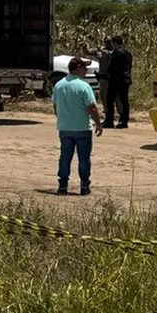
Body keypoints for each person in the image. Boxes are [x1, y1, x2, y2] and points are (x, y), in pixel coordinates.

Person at [52, 57, 104, 195]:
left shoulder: (59, 85)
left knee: (65, 157)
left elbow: (55, 106)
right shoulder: (84, 86)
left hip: (65, 127)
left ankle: (63, 186)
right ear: (78, 69)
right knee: (84, 159)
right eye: (84, 68)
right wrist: (98, 124)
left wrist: (62, 119)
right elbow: (91, 107)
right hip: (82, 128)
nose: (86, 71)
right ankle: (84, 186)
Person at [105, 35, 132, 128]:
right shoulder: (127, 53)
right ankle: (124, 121)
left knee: (110, 100)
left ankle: (109, 121)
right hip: (126, 79)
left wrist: (108, 74)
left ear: (114, 43)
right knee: (124, 101)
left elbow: (113, 67)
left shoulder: (116, 53)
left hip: (116, 80)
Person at [95, 39, 112, 112]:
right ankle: (106, 109)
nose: (107, 44)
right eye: (106, 43)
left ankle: (110, 110)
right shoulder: (102, 51)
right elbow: (90, 52)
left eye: (108, 42)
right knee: (103, 95)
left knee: (110, 95)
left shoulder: (113, 52)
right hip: (102, 77)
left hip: (109, 77)